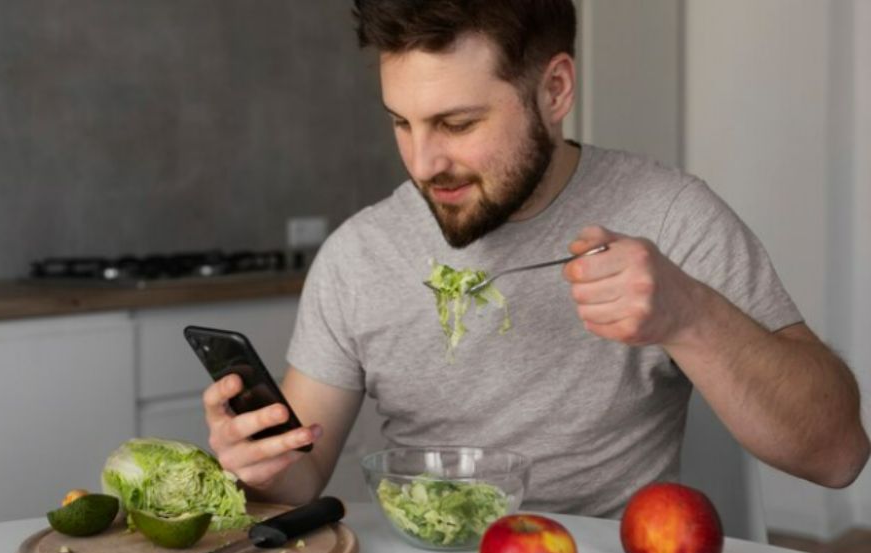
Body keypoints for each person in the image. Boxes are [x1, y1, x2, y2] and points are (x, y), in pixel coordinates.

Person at [202, 0, 867, 516]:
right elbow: (301, 477)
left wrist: (691, 315)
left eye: (458, 125)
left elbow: (838, 455)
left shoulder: (671, 216)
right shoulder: (357, 256)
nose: (423, 164)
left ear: (554, 91)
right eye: (402, 123)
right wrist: (255, 462)